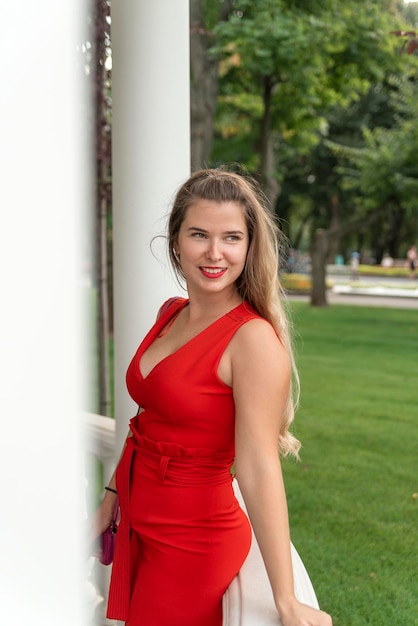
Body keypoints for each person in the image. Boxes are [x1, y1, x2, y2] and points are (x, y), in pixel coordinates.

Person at [90, 168, 332, 626]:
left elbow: (259, 468)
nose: (215, 252)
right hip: (141, 520)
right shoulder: (171, 313)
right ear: (176, 240)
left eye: (232, 238)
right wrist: (109, 504)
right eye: (199, 234)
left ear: (249, 246)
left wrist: (287, 599)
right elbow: (146, 422)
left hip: (194, 539)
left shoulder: (252, 341)